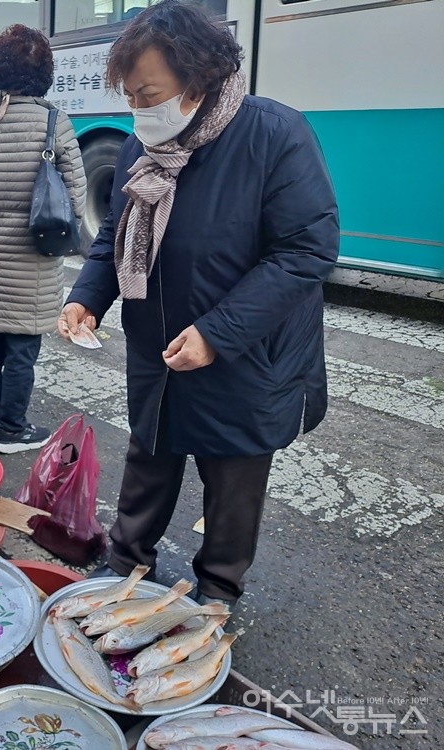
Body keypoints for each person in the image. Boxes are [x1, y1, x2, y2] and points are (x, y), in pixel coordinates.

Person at [59, 0, 339, 605]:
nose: (139, 110)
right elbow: (114, 234)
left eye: (149, 92)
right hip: (157, 343)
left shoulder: (273, 134)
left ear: (200, 77)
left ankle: (218, 590)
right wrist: (87, 297)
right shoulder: (141, 147)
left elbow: (305, 251)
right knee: (149, 452)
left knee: (232, 475)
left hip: (245, 352)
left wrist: (217, 332)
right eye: (129, 95)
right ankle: (127, 559)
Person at [0, 25, 86, 454]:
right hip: (33, 259)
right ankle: (13, 429)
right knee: (23, 349)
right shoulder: (54, 121)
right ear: (44, 73)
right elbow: (76, 197)